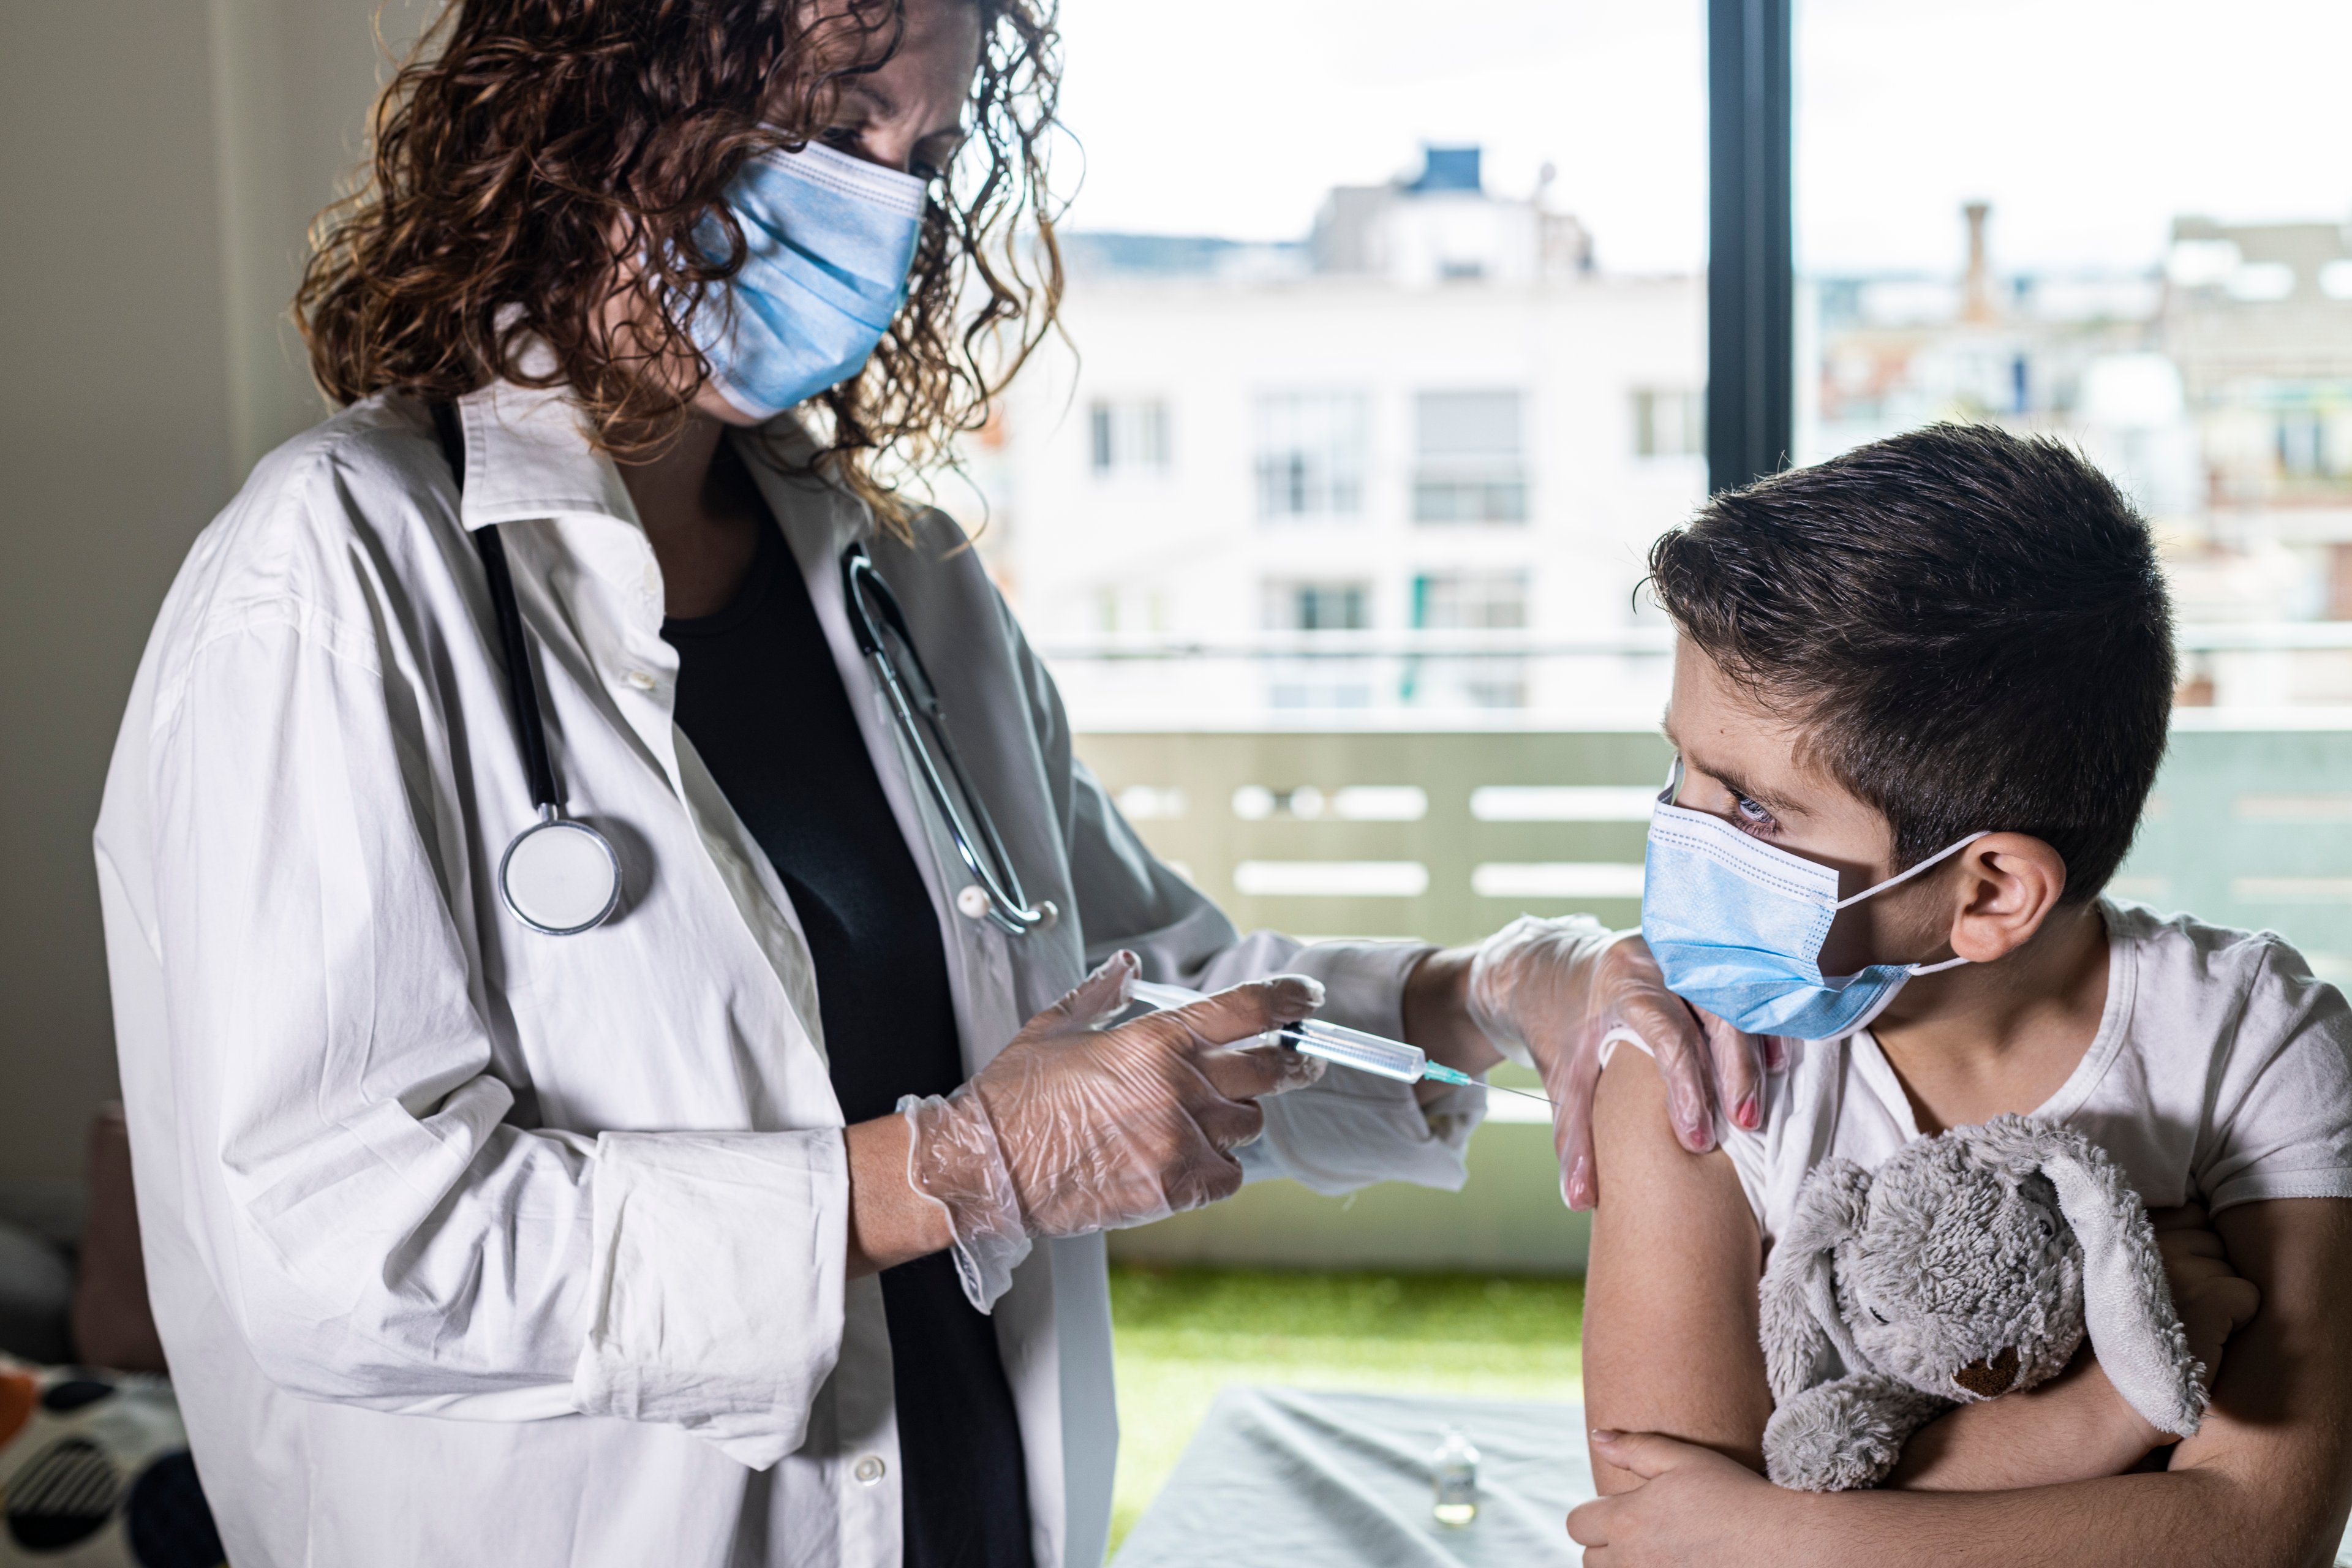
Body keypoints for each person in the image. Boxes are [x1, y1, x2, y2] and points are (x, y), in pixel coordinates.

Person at [89, 3, 1744, 1566]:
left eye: (920, 159)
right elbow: (334, 1245)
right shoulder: (339, 571)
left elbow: (1137, 1005)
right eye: (821, 128)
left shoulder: (899, 580)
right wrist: (948, 1175)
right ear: (586, 97)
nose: (877, 215)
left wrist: (1489, 993)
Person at [1566, 424, 2352, 1566]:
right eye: (1679, 765)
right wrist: (2115, 1416)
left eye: (1749, 811)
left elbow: (2260, 1531)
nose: (1677, 832)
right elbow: (1651, 1531)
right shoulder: (1694, 1061)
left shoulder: (2256, 1043)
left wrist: (1786, 1535)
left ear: (1989, 892)